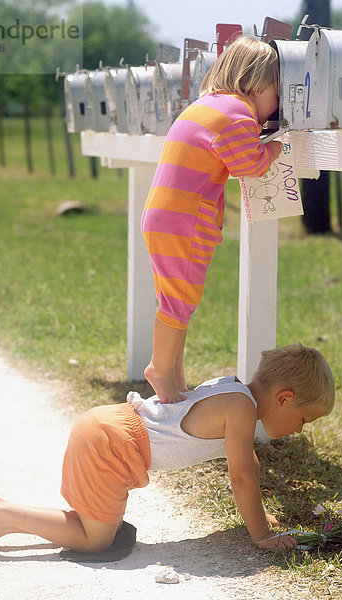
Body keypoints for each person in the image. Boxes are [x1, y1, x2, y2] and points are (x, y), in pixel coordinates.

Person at [0, 343, 335, 559]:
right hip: (110, 445)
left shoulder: (233, 392)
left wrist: (261, 517)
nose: (299, 431)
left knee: (92, 527)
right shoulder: (240, 410)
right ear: (284, 398)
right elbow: (241, 477)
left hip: (108, 430)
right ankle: (0, 513)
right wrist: (261, 537)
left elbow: (248, 467)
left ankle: (5, 521)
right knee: (96, 540)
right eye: (303, 421)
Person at [142, 36, 283, 403]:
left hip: (164, 216)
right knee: (179, 300)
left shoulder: (206, 105)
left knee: (175, 301)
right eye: (277, 95)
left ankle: (174, 375)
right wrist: (277, 145)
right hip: (185, 222)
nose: (278, 106)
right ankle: (160, 370)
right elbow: (250, 165)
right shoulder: (237, 114)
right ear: (256, 84)